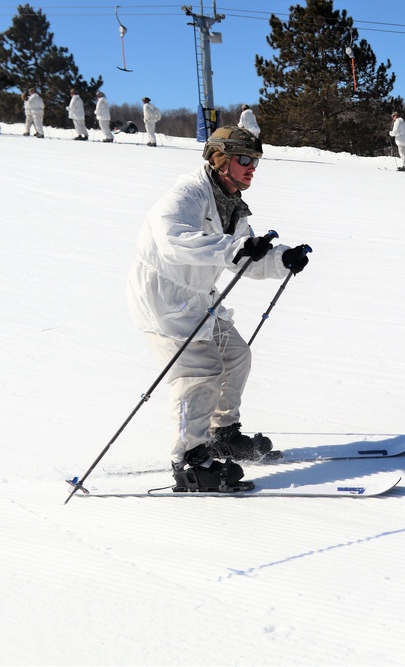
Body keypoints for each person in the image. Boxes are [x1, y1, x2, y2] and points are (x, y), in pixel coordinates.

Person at [126, 126, 312, 493]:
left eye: (255, 161)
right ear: (219, 159)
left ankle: (222, 433)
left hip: (200, 297)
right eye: (244, 159)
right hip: (163, 299)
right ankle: (189, 462)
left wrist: (281, 258)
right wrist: (234, 249)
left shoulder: (230, 203)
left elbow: (246, 256)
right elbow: (172, 241)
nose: (251, 168)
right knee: (199, 372)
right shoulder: (185, 195)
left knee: (236, 355)